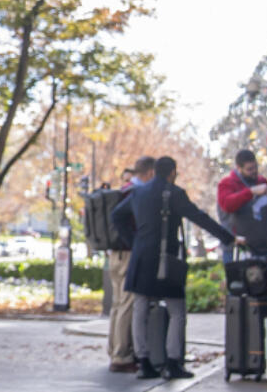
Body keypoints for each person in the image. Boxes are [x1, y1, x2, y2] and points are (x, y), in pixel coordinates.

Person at [112, 156, 239, 380]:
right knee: (177, 311)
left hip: (141, 258)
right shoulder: (174, 194)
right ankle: (172, 363)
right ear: (172, 172)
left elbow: (117, 215)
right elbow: (199, 217)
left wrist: (134, 241)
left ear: (154, 172)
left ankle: (144, 363)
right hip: (166, 261)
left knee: (140, 309)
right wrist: (229, 239)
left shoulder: (138, 192)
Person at [107, 156, 155, 373]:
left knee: (118, 304)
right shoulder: (135, 193)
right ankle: (122, 355)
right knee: (127, 303)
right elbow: (121, 218)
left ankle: (115, 349)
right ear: (149, 173)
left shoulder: (123, 190)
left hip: (114, 253)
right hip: (127, 253)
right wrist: (135, 244)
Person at [217, 148, 267, 261]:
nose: (254, 171)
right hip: (239, 250)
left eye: (255, 167)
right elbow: (227, 205)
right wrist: (251, 192)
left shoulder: (263, 182)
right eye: (249, 169)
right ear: (239, 168)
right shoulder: (227, 184)